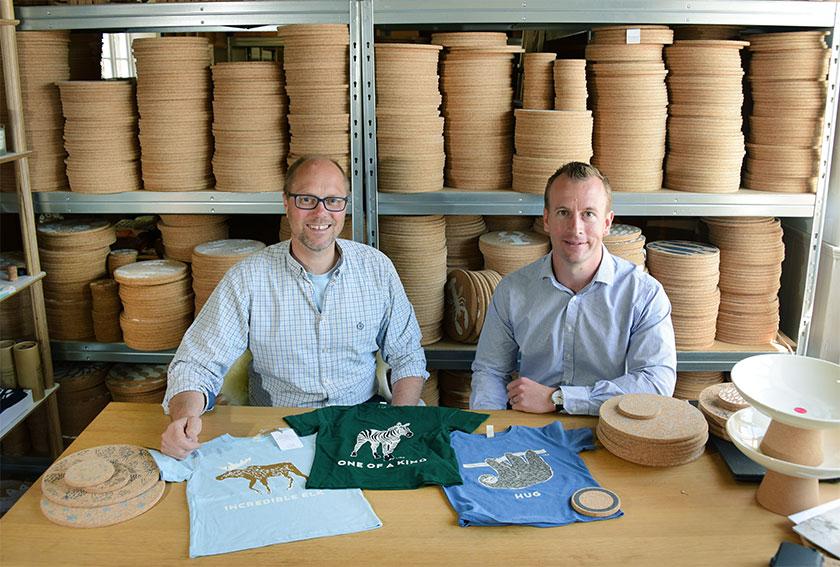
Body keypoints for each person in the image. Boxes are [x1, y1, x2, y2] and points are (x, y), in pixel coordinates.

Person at [161, 156, 428, 459]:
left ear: (345, 205)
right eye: (306, 199)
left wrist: (396, 422)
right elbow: (196, 364)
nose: (321, 212)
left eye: (333, 201)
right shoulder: (247, 278)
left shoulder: (376, 268)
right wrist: (183, 418)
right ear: (286, 203)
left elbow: (407, 354)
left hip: (360, 420)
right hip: (278, 427)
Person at [470, 161, 676, 415]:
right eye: (563, 212)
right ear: (546, 219)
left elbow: (656, 383)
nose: (575, 228)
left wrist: (560, 398)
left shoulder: (644, 294)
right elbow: (490, 371)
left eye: (588, 214)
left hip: (611, 427)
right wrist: (491, 428)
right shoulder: (512, 290)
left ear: (607, 223)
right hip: (531, 430)